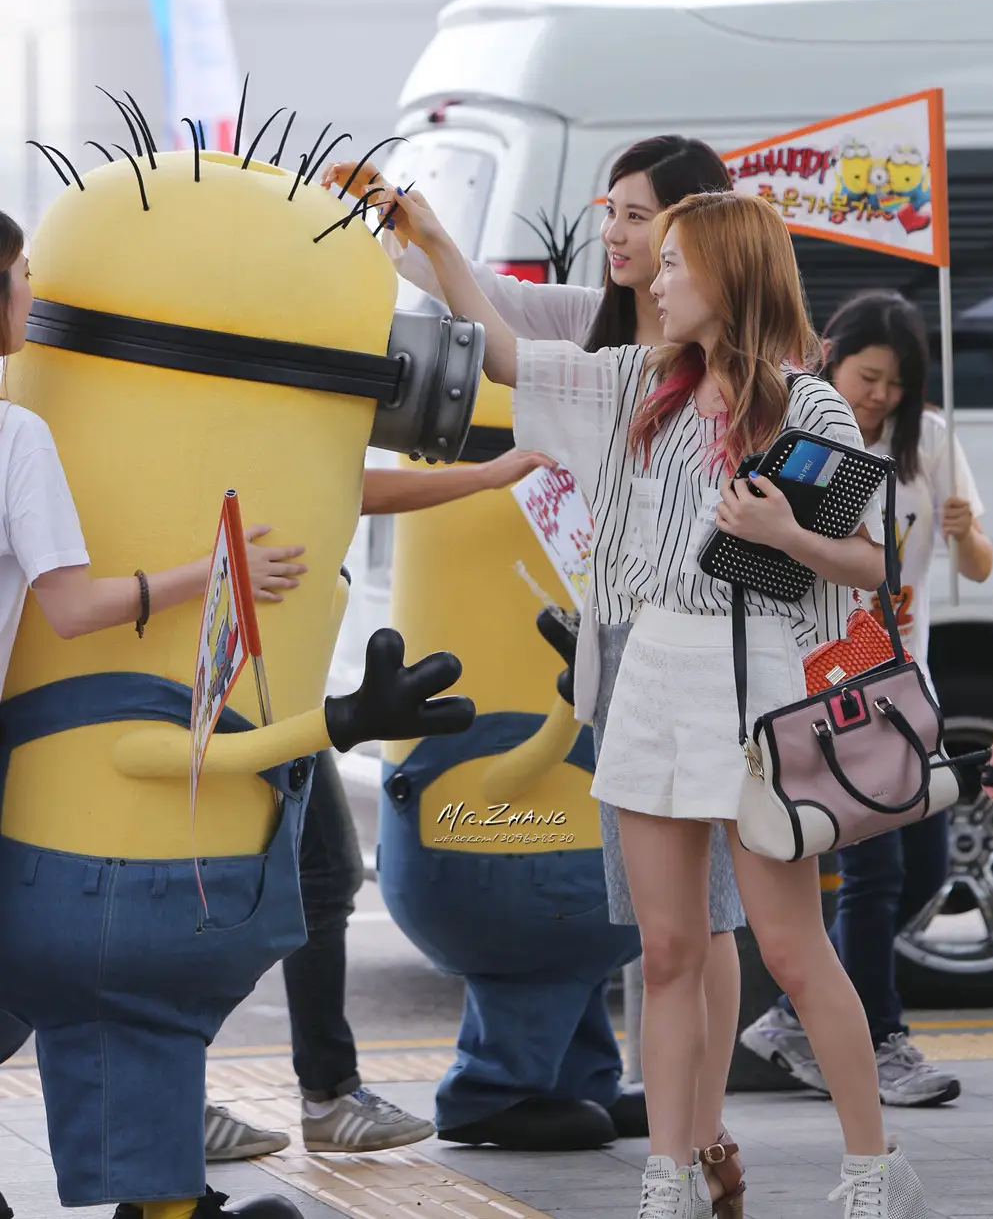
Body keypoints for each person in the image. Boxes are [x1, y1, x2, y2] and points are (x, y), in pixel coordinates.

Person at [362, 180, 930, 1219]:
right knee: (666, 950)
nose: (652, 279)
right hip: (652, 668)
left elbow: (863, 562)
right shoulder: (636, 382)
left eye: (672, 262)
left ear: (728, 273)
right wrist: (433, 236)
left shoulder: (805, 403)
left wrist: (783, 537)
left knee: (794, 954)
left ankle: (872, 1169)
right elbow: (499, 352)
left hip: (755, 677)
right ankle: (665, 1180)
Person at [326, 138, 747, 1186]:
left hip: (716, 660)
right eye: (609, 210)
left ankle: (710, 1132)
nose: (612, 232)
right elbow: (484, 322)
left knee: (726, 920)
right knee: (659, 931)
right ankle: (671, 1157)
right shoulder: (587, 331)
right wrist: (413, 232)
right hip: (609, 655)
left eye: (635, 215)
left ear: (697, 227)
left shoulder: (750, 366)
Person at [0, 210, 307, 1218]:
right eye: (22, 278)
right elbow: (74, 606)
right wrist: (215, 573)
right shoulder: (15, 432)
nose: (33, 296)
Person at [198, 447, 553, 1163]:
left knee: (309, 881)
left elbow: (346, 486)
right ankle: (215, 1090)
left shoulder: (288, 429)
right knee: (244, 887)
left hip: (280, 695)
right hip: (240, 692)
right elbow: (341, 487)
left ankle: (303, 1092)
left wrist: (485, 475)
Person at [741, 289, 993, 1109]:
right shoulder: (805, 440)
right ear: (833, 359)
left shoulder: (932, 444)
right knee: (877, 867)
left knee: (920, 869)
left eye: (896, 381)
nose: (880, 395)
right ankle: (880, 1037)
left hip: (901, 686)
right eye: (868, 374)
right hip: (828, 681)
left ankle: (790, 1019)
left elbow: (981, 568)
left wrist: (964, 532)